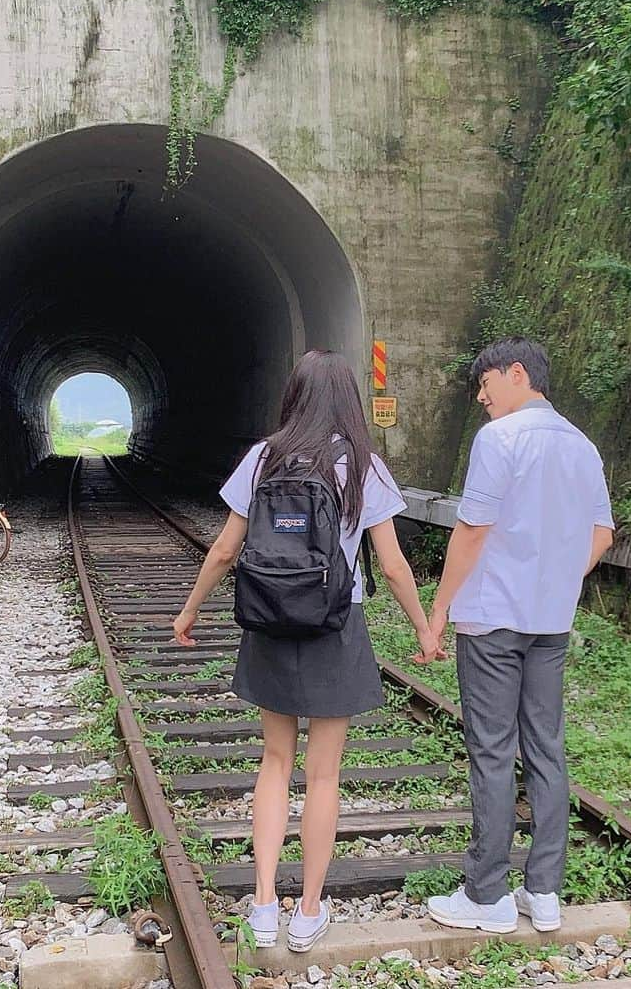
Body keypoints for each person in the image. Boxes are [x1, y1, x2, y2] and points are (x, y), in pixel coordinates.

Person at [172, 350, 441, 953]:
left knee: (273, 762)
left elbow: (222, 550)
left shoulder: (263, 458)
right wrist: (425, 629)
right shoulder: (364, 467)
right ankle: (309, 910)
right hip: (336, 625)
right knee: (324, 775)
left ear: (293, 395)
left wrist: (189, 611)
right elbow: (394, 566)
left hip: (268, 622)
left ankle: (263, 904)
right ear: (347, 399)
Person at [425, 337, 615, 934]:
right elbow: (602, 536)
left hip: (490, 619)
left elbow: (473, 530)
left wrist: (436, 613)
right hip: (550, 621)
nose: (481, 398)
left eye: (487, 385)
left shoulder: (499, 440)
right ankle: (544, 891)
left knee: (491, 749)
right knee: (546, 749)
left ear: (517, 374)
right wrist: (557, 579)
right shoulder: (583, 446)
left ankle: (486, 896)